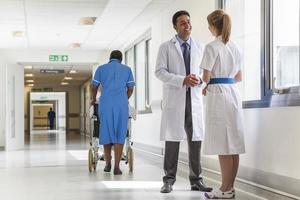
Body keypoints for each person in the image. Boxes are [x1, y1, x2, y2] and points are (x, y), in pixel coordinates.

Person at [155, 10, 212, 193]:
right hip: (176, 99)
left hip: (194, 99)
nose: (187, 25)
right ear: (175, 27)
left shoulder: (200, 46)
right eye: (182, 23)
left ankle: (196, 180)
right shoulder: (166, 47)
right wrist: (182, 80)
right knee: (172, 141)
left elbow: (206, 73)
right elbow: (160, 72)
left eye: (188, 21)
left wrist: (200, 80)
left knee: (195, 141)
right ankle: (169, 180)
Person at [200, 10, 245, 199]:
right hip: (233, 93)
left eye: (209, 25)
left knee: (223, 144)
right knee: (232, 143)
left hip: (218, 95)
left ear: (213, 26)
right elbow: (239, 77)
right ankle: (229, 187)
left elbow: (205, 76)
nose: (208, 28)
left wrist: (205, 85)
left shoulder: (212, 46)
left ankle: (224, 189)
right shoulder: (235, 47)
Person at [90, 50, 135, 175]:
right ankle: (117, 167)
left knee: (107, 131)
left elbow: (94, 86)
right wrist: (123, 98)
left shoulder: (101, 69)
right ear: (121, 59)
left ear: (110, 58)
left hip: (106, 104)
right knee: (119, 133)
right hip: (121, 104)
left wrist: (93, 99)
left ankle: (108, 164)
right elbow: (131, 88)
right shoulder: (127, 69)